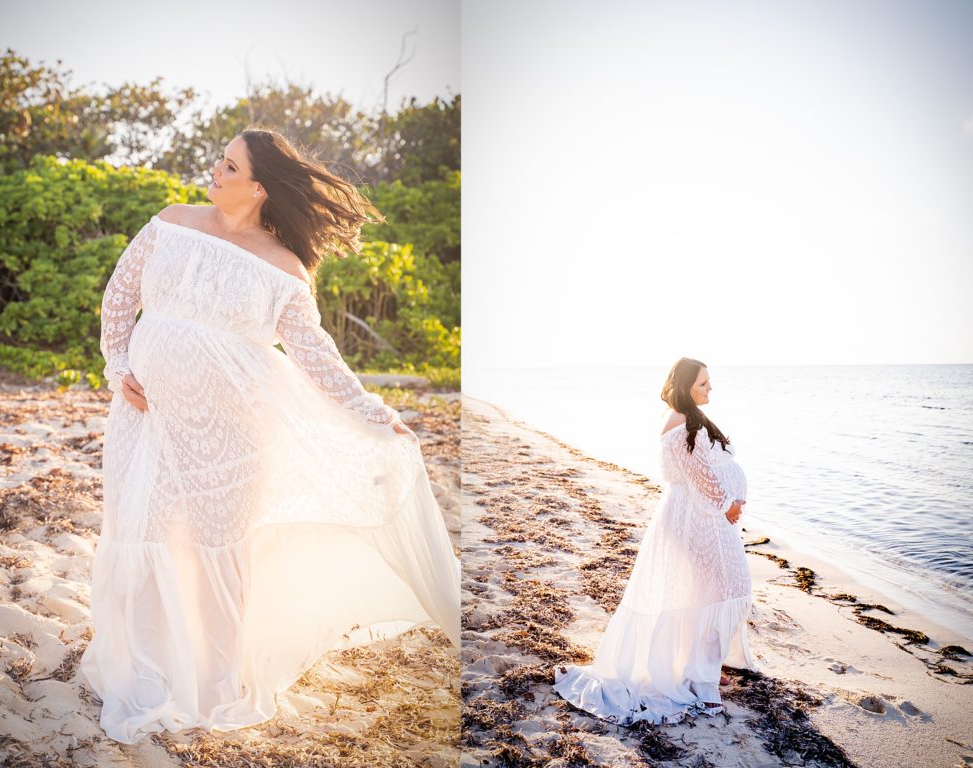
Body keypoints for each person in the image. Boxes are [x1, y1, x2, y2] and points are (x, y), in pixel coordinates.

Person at [80, 127, 461, 744]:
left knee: (217, 554)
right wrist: (118, 366)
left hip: (234, 434)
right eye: (220, 160)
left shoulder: (285, 267)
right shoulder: (170, 221)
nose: (216, 170)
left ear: (258, 188)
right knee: (144, 536)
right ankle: (147, 677)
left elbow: (316, 354)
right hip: (146, 418)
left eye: (229, 166)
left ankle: (216, 685)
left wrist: (370, 411)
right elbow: (118, 299)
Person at [553, 357, 759, 725]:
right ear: (684, 386)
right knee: (724, 590)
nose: (709, 389)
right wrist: (728, 505)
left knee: (706, 593)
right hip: (701, 518)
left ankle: (701, 669)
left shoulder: (690, 419)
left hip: (703, 517)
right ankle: (703, 681)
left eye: (710, 382)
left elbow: (709, 469)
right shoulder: (681, 424)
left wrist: (731, 501)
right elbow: (701, 475)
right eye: (702, 384)